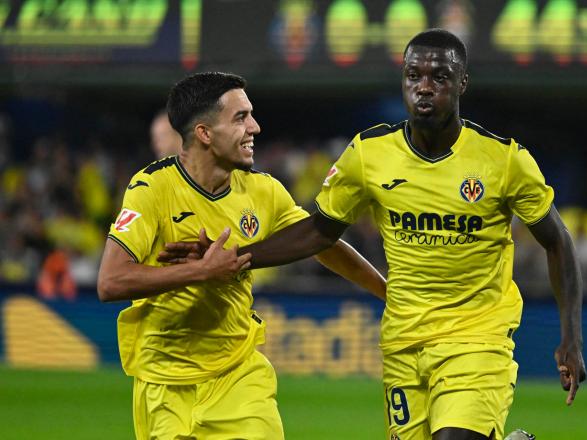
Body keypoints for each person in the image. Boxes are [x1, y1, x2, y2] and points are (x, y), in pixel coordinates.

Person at [161, 29, 587, 440]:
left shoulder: (504, 160)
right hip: (404, 340)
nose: (424, 87)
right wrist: (234, 256)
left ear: (462, 84)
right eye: (413, 75)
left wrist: (571, 337)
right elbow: (319, 232)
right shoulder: (369, 155)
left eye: (439, 77)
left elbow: (558, 240)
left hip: (476, 336)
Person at [97, 72, 386, 440]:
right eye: (240, 118)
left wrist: (385, 291)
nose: (255, 127)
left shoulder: (263, 191)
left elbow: (320, 240)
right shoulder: (151, 189)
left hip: (237, 375)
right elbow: (111, 282)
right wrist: (202, 271)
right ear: (204, 133)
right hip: (164, 387)